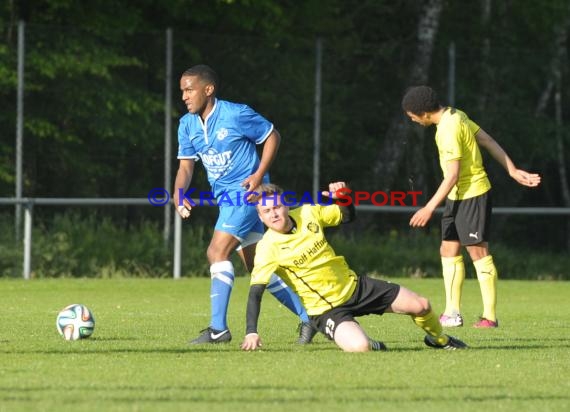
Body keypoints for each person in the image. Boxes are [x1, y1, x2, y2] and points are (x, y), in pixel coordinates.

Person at [174, 64, 315, 345]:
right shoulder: (186, 124)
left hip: (246, 196)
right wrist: (179, 194)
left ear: (208, 89)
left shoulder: (235, 114)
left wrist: (259, 175)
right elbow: (186, 167)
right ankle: (309, 318)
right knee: (259, 267)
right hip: (225, 200)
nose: (184, 97)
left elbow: (272, 135)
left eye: (189, 90)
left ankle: (218, 329)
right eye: (182, 91)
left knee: (216, 252)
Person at [241, 182, 467, 352]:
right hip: (326, 309)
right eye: (267, 211)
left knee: (421, 305)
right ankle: (370, 342)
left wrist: (344, 196)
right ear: (260, 217)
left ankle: (440, 340)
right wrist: (252, 331)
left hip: (356, 287)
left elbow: (347, 216)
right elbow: (255, 293)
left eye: (277, 207)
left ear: (285, 205)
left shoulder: (308, 212)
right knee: (360, 347)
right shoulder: (267, 248)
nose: (274, 214)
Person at [401, 85, 541, 328]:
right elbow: (486, 139)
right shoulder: (456, 113)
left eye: (412, 116)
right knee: (448, 250)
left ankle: (489, 317)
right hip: (456, 197)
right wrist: (512, 170)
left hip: (473, 194)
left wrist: (429, 207)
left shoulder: (448, 129)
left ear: (423, 113)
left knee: (477, 252)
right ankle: (452, 313)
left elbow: (452, 175)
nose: (412, 120)